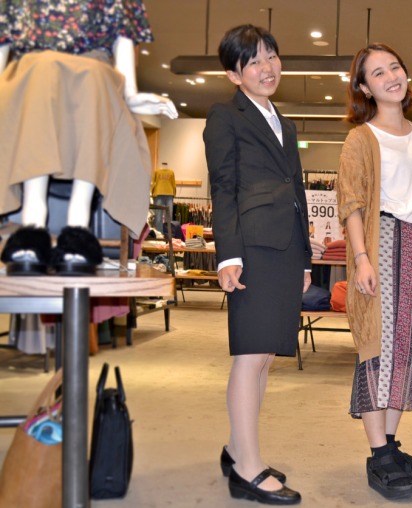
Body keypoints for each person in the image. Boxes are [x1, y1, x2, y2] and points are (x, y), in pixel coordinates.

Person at [203, 24, 312, 505]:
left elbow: (297, 192)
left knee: (266, 355)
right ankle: (248, 469)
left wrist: (304, 257)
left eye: (271, 56)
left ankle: (237, 450)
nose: (267, 68)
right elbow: (222, 186)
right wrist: (228, 254)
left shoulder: (284, 123)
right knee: (250, 355)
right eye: (253, 62)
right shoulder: (225, 116)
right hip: (251, 248)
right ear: (234, 75)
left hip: (284, 249)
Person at [336, 43, 412, 500]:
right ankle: (379, 453)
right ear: (364, 88)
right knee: (378, 348)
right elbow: (351, 203)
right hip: (381, 243)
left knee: (411, 347)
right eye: (378, 73)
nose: (390, 77)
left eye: (395, 67)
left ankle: (390, 443)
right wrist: (361, 257)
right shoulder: (361, 138)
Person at [0, 0, 177, 275]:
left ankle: (78, 226)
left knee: (93, 82)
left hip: (94, 75)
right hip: (31, 75)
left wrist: (132, 96)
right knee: (40, 76)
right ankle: (32, 225)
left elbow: (123, 54)